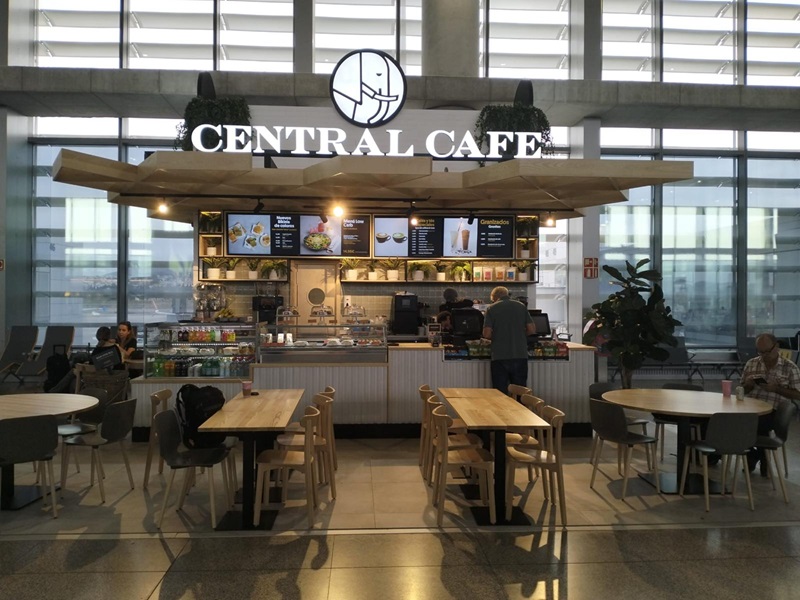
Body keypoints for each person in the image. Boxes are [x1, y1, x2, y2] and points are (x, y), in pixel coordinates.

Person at [741, 333, 800, 474]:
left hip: (775, 411)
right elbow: (741, 390)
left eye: (767, 351)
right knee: (731, 420)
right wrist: (747, 385)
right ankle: (758, 455)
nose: (764, 355)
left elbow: (798, 394)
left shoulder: (789, 367)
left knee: (753, 423)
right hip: (751, 408)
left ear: (776, 347)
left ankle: (755, 455)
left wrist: (776, 389)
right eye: (760, 352)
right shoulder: (752, 363)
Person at [482, 286, 535, 395]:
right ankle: (520, 406)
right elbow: (531, 330)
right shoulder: (521, 306)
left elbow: (486, 334)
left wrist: (498, 335)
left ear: (494, 298)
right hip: (520, 354)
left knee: (500, 394)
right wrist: (519, 335)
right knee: (520, 392)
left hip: (499, 356)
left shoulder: (491, 308)